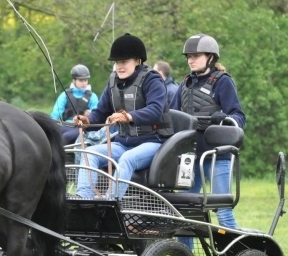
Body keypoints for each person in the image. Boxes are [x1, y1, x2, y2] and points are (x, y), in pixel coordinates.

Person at [74, 33, 173, 199]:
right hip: (123, 142)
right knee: (89, 153)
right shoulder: (113, 80)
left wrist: (128, 117)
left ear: (138, 61)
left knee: (127, 159)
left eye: (124, 62)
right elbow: (101, 111)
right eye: (117, 62)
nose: (119, 66)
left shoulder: (152, 80)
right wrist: (87, 120)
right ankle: (84, 200)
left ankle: (110, 203)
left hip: (153, 141)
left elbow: (155, 110)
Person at [171, 33, 246, 241]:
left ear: (211, 58)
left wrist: (225, 119)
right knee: (185, 213)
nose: (190, 60)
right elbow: (173, 116)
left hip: (216, 156)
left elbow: (239, 117)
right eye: (188, 56)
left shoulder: (223, 82)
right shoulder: (184, 83)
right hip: (189, 156)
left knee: (222, 211)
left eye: (196, 55)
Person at [50, 64, 100, 144]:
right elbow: (56, 113)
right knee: (52, 134)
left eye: (85, 80)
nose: (83, 83)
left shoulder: (92, 96)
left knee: (65, 137)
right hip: (66, 125)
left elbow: (97, 113)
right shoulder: (65, 95)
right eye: (81, 80)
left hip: (82, 128)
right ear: (74, 80)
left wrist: (89, 115)